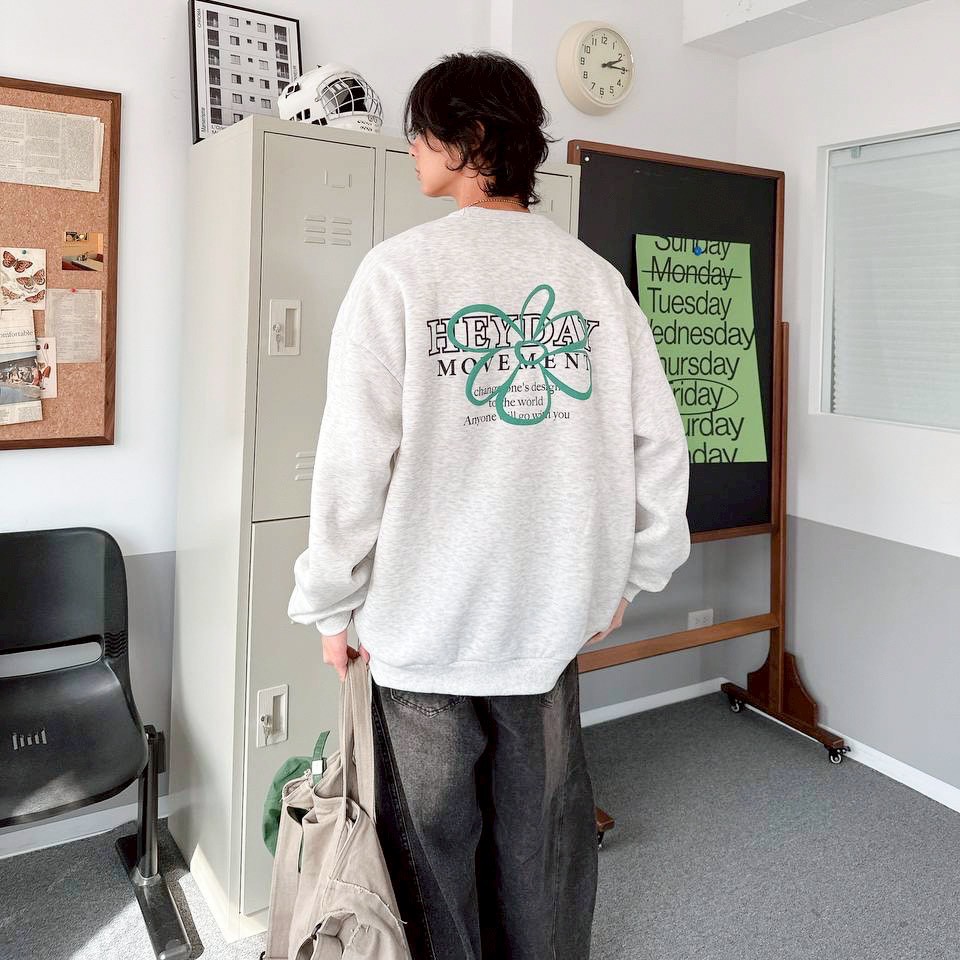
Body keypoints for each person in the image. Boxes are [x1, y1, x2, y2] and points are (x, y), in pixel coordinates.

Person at [288, 50, 691, 960]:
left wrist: (329, 603)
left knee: (433, 854)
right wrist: (635, 572)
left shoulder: (398, 273)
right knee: (540, 846)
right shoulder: (594, 282)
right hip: (548, 622)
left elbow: (354, 461)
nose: (411, 150)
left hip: (421, 628)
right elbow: (661, 447)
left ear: (469, 139)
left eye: (422, 133)